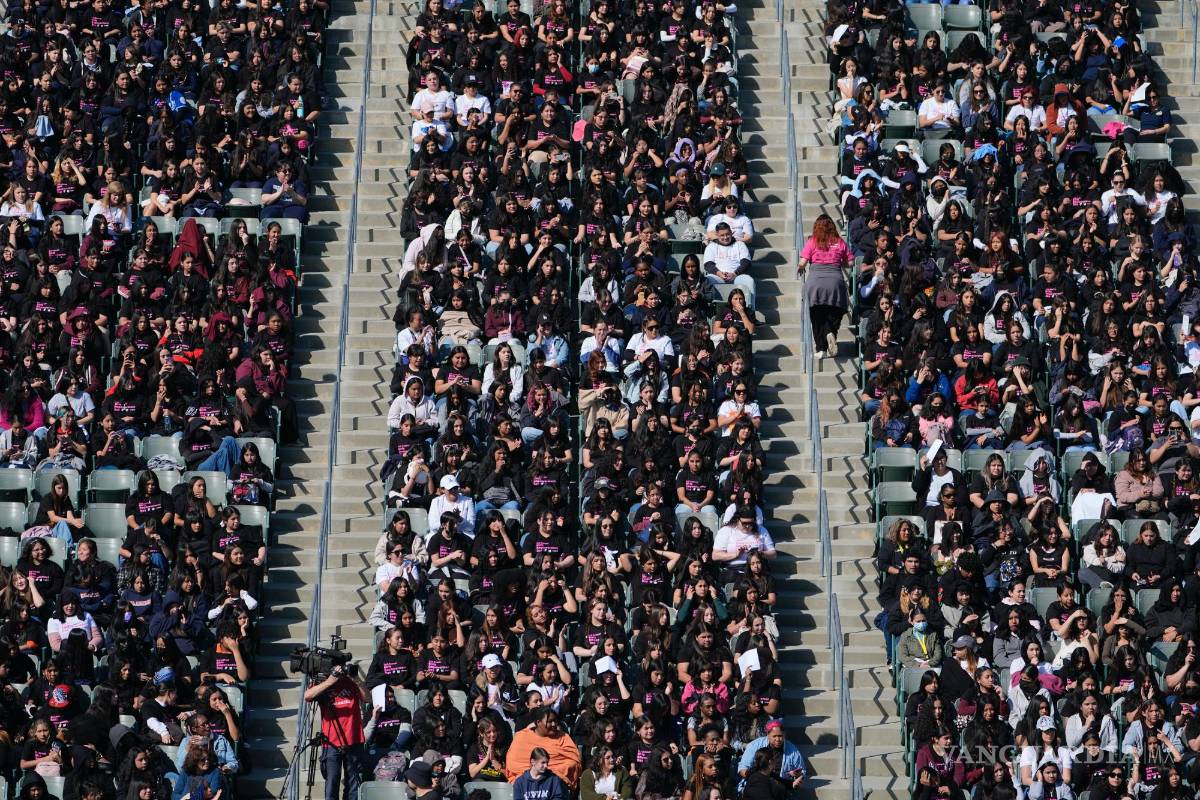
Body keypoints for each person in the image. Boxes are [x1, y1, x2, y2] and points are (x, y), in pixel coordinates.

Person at [303, 666, 366, 800]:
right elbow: (307, 696)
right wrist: (330, 681)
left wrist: (357, 679)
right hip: (331, 741)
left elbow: (368, 698)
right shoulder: (323, 681)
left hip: (354, 738)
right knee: (332, 782)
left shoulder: (351, 681)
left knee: (353, 784)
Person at [796, 214, 850, 359]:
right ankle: (830, 332)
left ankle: (821, 349)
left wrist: (800, 268)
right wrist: (839, 262)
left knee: (817, 316)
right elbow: (850, 262)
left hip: (815, 283)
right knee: (835, 311)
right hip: (835, 282)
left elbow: (802, 262)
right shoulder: (840, 242)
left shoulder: (812, 241)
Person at [736, 720, 807, 792]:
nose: (777, 739)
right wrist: (757, 779)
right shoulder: (755, 745)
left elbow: (802, 771)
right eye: (774, 736)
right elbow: (742, 769)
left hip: (781, 787)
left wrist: (797, 775)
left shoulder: (793, 750)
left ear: (784, 734)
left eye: (780, 736)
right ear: (767, 734)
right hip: (756, 785)